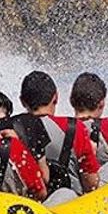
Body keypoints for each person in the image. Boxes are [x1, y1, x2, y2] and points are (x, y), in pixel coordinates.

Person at [19, 70, 100, 200]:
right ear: (56, 97)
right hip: (70, 205)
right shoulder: (75, 127)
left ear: (22, 102)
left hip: (30, 207)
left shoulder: (12, 129)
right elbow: (91, 184)